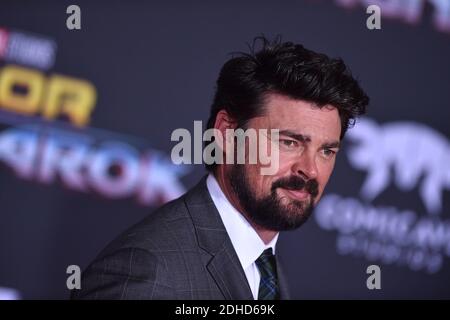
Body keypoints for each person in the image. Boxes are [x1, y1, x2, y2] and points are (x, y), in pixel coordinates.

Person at [72, 36, 369, 300]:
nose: (311, 170)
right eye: (290, 142)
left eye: (327, 151)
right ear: (226, 133)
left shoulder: (264, 265)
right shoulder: (148, 273)